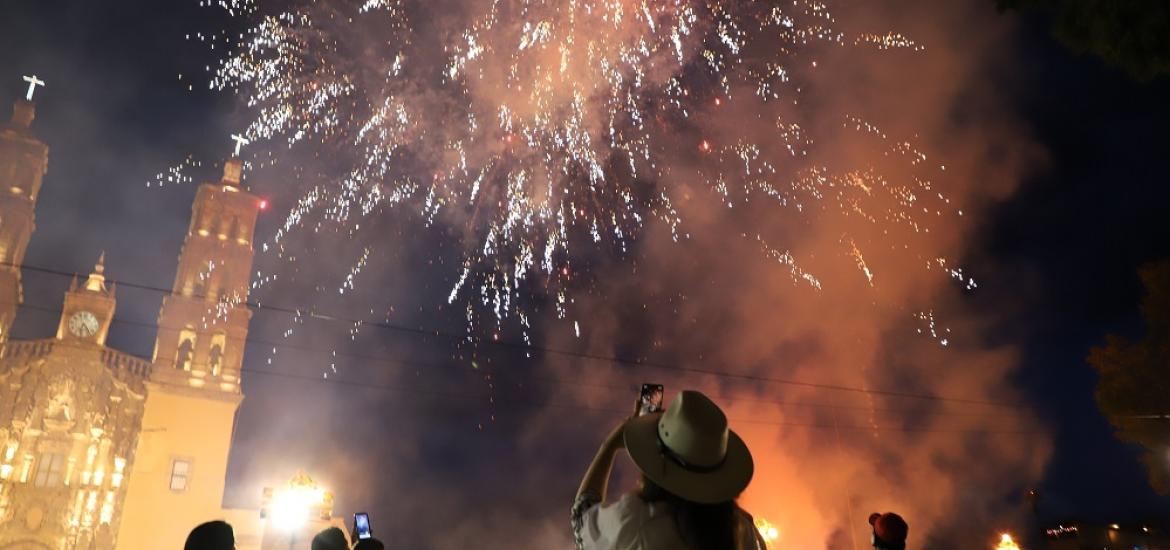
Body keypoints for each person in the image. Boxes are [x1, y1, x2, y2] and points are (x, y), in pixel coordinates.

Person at [571, 390, 766, 550]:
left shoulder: (637, 521)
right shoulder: (743, 531)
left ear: (656, 460)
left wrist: (610, 445)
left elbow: (581, 519)